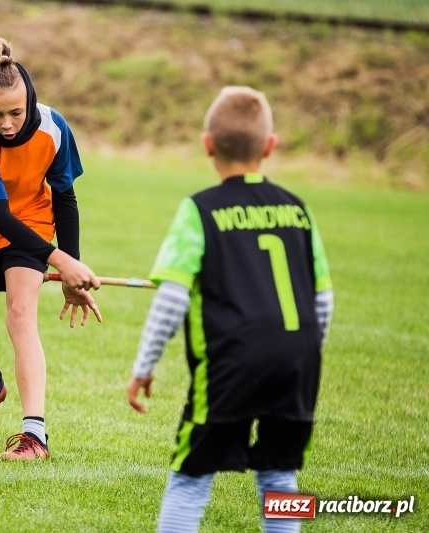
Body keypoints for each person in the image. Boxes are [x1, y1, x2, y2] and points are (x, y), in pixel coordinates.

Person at [127, 86, 334, 532]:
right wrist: (305, 354)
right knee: (280, 477)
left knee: (190, 477)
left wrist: (144, 365)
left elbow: (172, 297)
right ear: (270, 146)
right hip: (296, 364)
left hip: (231, 364)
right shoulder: (299, 210)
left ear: (207, 145)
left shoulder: (199, 210)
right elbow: (323, 301)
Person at [0, 37, 102, 461]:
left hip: (31, 220)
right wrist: (61, 260)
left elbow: (64, 198)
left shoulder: (54, 127)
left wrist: (71, 271)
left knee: (20, 315)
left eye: (16, 112)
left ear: (30, 100)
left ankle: (35, 437)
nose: (8, 123)